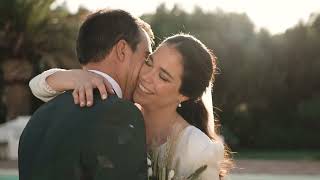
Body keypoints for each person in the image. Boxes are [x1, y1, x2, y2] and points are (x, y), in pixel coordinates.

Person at [29, 34, 233, 179]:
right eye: (149, 62)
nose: (146, 76)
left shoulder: (196, 149)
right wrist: (78, 76)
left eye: (163, 76)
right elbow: (38, 87)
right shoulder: (119, 111)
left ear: (185, 95)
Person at [18, 9, 154, 180]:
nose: (148, 71)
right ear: (122, 50)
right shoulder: (120, 114)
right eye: (146, 57)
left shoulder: (40, 117)